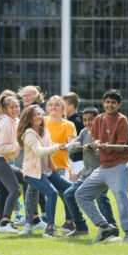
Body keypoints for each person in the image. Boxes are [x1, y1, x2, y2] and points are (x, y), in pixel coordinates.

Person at [75, 89, 128, 243]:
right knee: (81, 194)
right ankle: (105, 227)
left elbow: (121, 147)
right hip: (103, 166)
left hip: (120, 164)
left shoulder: (122, 120)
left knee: (121, 196)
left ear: (118, 105)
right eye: (107, 102)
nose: (110, 105)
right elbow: (95, 139)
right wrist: (96, 143)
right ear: (103, 103)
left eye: (113, 103)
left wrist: (101, 145)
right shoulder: (99, 119)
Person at [17, 105, 72, 237]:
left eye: (39, 114)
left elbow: (48, 144)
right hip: (32, 173)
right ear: (29, 118)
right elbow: (39, 151)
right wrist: (58, 147)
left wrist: (62, 146)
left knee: (70, 189)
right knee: (52, 193)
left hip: (46, 170)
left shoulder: (44, 130)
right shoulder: (29, 134)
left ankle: (73, 223)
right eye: (35, 115)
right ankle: (49, 229)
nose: (39, 117)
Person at [63, 107, 118, 237]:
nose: (88, 123)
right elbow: (72, 149)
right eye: (85, 120)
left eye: (91, 120)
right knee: (68, 194)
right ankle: (81, 228)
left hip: (101, 173)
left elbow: (106, 155)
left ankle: (112, 229)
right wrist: (74, 145)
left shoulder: (103, 133)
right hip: (86, 173)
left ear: (98, 119)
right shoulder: (83, 132)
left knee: (101, 198)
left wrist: (94, 149)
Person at [0, 94, 22, 233]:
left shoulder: (13, 120)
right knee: (15, 190)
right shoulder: (6, 123)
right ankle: (5, 222)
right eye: (12, 107)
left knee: (4, 190)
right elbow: (1, 148)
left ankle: (1, 222)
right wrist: (19, 144)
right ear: (5, 109)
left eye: (17, 106)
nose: (15, 109)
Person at [44, 95, 77, 233]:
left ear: (63, 108)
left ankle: (70, 222)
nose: (53, 107)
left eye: (57, 105)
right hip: (42, 166)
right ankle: (32, 222)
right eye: (50, 104)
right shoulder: (43, 121)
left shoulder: (68, 125)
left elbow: (71, 144)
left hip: (61, 166)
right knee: (35, 193)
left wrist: (66, 145)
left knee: (64, 193)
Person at [17, 85, 47, 225]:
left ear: (37, 96)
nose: (26, 97)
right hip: (32, 152)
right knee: (33, 186)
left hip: (32, 153)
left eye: (29, 95)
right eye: (24, 95)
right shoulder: (30, 110)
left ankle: (34, 217)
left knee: (31, 184)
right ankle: (36, 217)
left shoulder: (35, 111)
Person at [62, 92, 84, 182]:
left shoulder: (74, 122)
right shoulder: (81, 117)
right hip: (74, 160)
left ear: (71, 106)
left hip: (79, 160)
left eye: (62, 105)